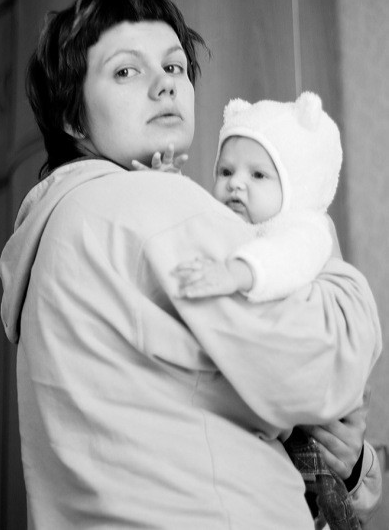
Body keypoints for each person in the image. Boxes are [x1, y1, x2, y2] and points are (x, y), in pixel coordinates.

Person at [0, 0, 382, 530]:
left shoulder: (58, 228)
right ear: (74, 118)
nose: (165, 85)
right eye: (126, 71)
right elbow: (322, 368)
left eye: (174, 67)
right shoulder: (151, 205)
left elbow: (212, 405)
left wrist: (349, 465)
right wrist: (328, 256)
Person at [140, 93, 383, 528]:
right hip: (255, 452)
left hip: (321, 420)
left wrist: (238, 272)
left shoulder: (304, 229)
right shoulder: (228, 228)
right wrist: (166, 188)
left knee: (330, 489)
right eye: (225, 171)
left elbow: (286, 257)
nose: (236, 184)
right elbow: (190, 223)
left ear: (293, 186)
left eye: (258, 174)